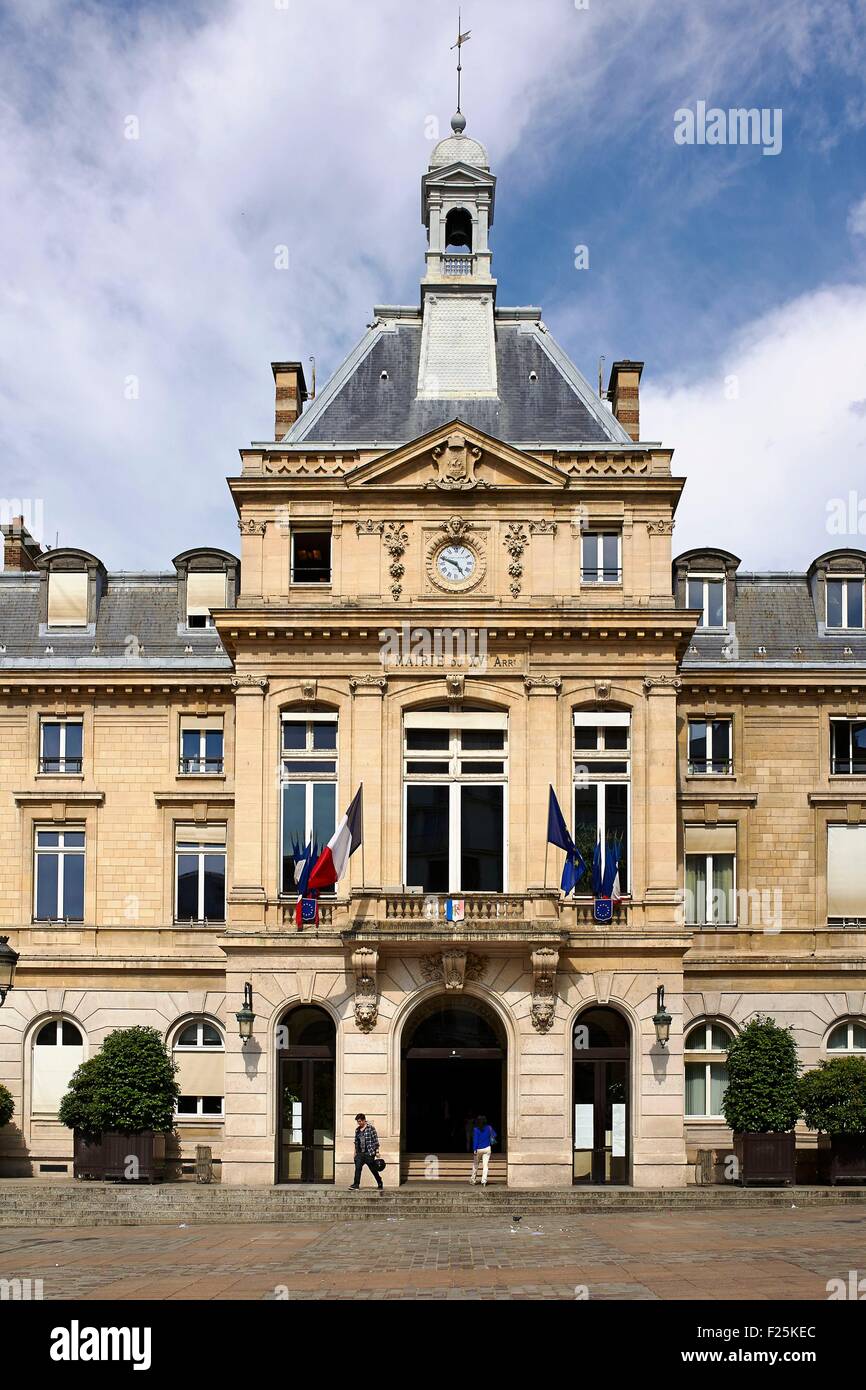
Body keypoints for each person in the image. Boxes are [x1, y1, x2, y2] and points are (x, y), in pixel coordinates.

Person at [351, 1112, 384, 1192]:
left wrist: (377, 1152)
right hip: (360, 1153)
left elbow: (375, 1141)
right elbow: (356, 1142)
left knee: (373, 1169)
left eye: (359, 1121)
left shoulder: (371, 1128)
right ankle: (356, 1184)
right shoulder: (357, 1130)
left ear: (364, 1120)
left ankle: (379, 1181)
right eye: (358, 1121)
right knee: (358, 1168)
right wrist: (355, 1153)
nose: (358, 1123)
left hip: (369, 1153)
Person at [470, 1114, 497, 1186]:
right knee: (485, 1165)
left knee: (475, 1165)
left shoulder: (476, 1129)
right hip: (487, 1148)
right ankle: (484, 1181)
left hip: (478, 1149)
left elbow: (475, 1140)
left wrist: (474, 1149)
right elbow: (494, 1135)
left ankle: (473, 1180)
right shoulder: (489, 1127)